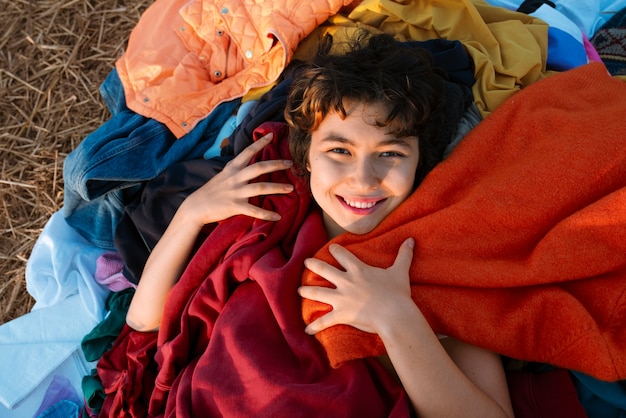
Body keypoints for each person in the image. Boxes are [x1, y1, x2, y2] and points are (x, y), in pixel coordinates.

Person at [125, 33, 514, 417]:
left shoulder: (437, 259)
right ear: (306, 155)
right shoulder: (265, 218)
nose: (364, 179)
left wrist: (396, 317)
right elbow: (143, 320)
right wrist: (191, 213)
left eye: (391, 153)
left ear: (419, 164)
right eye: (339, 150)